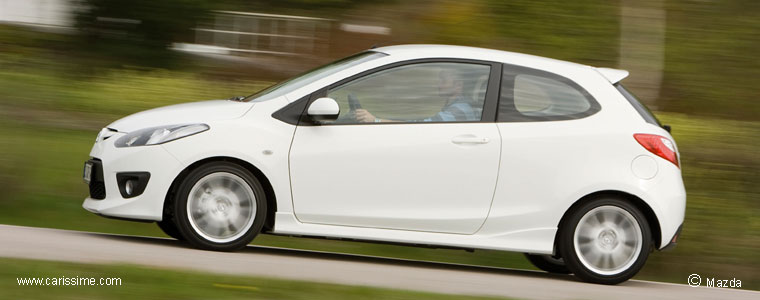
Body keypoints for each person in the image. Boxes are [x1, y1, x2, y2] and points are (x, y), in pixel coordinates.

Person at [354, 69, 478, 123]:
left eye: (444, 80)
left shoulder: (459, 110)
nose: (439, 84)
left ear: (458, 86)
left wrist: (375, 120)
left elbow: (421, 126)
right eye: (439, 80)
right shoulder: (455, 107)